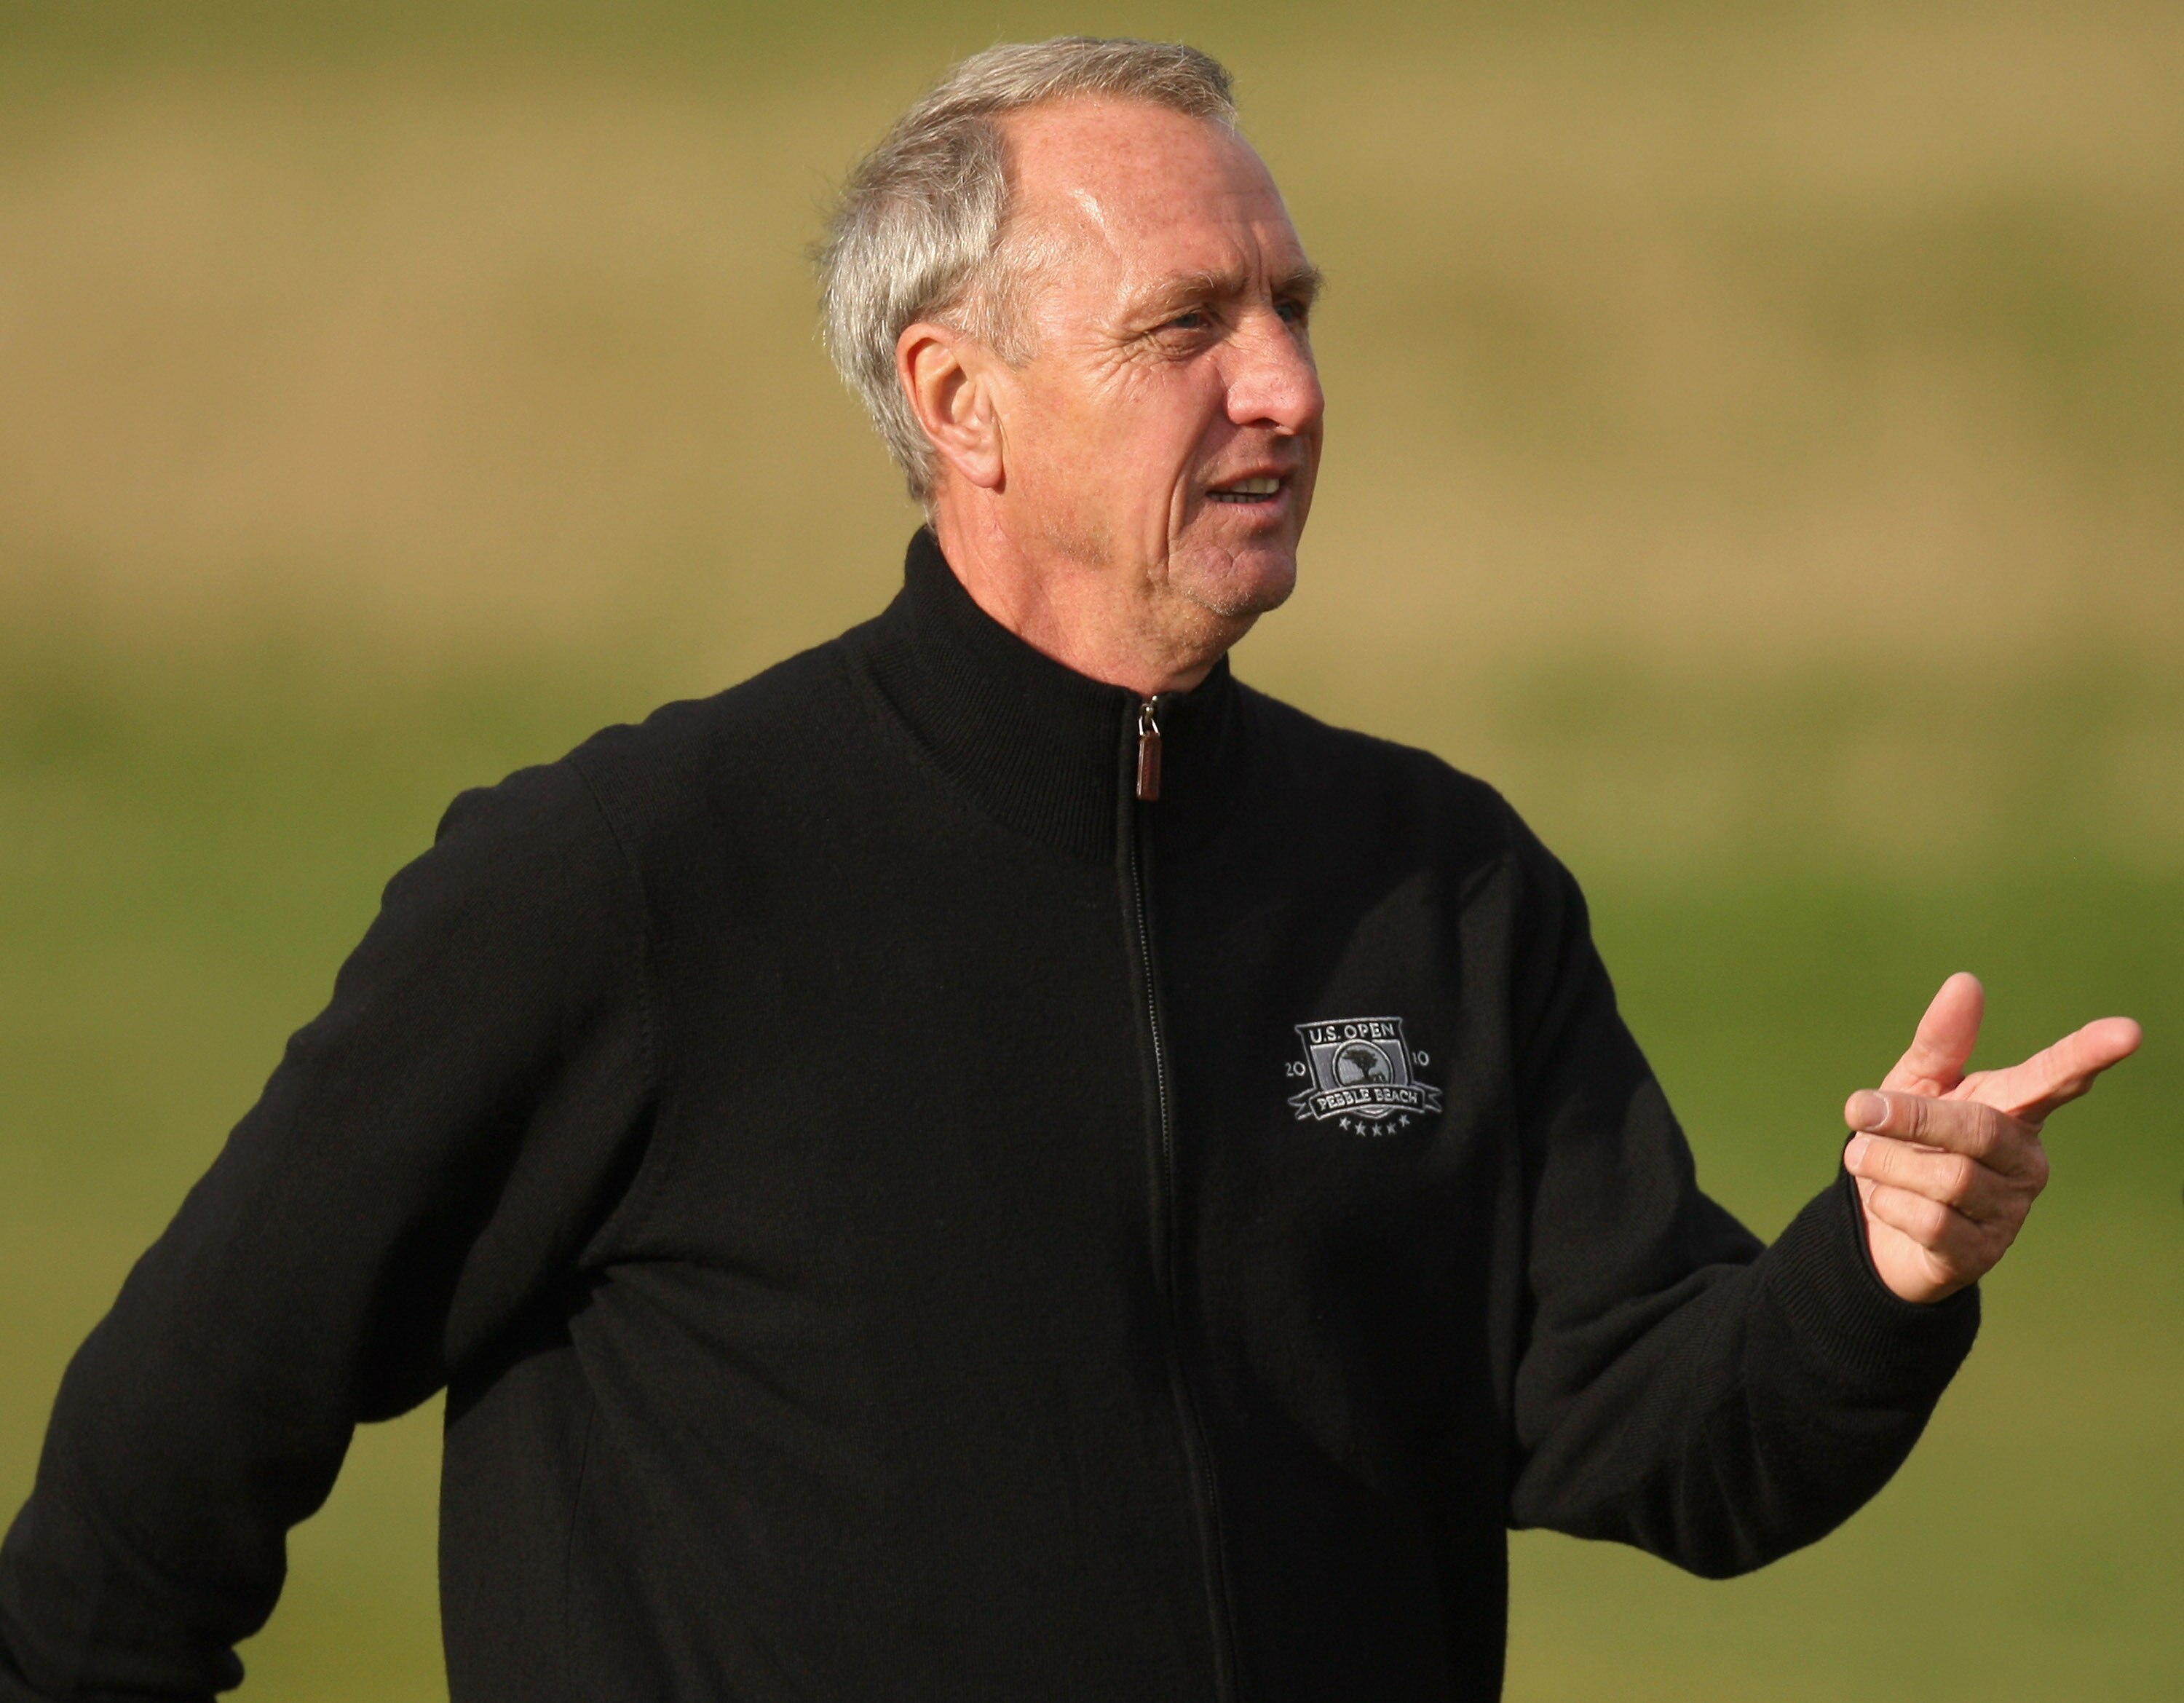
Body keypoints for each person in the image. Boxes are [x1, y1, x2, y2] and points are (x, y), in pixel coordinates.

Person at [0, 36, 2140, 1703]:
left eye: (1293, 308)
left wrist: (1880, 1271)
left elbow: (1672, 1431)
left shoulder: (1438, 888)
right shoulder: (633, 884)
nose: (1288, 387)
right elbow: (148, 1484)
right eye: (1189, 326)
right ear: (963, 401)